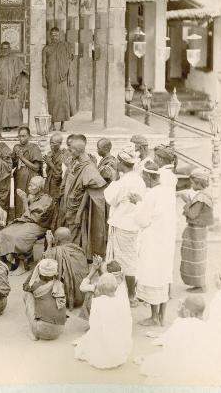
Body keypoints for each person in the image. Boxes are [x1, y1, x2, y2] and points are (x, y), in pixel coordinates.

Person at [137, 295, 221, 386]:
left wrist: (179, 315)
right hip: (201, 367)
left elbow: (169, 347)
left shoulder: (180, 324)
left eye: (183, 307)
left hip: (182, 367)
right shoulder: (207, 327)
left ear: (187, 312)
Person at [131, 160, 177, 326]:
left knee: (152, 275)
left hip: (153, 241)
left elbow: (142, 220)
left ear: (149, 177)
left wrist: (138, 202)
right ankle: (162, 317)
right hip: (166, 240)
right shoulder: (168, 191)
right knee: (164, 276)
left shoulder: (152, 194)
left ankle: (153, 317)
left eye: (144, 177)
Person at [104, 145, 146, 305]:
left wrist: (114, 178)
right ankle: (128, 292)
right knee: (131, 258)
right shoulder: (138, 179)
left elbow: (110, 198)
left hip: (124, 224)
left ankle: (130, 296)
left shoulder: (124, 182)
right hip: (134, 223)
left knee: (125, 261)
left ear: (121, 162)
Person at [56, 137, 107, 260]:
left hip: (78, 209)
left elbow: (89, 192)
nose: (70, 152)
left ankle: (74, 259)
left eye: (72, 150)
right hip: (70, 206)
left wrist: (78, 213)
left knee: (75, 236)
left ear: (78, 150)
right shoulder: (77, 161)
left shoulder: (89, 167)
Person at [73, 273, 132, 369]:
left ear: (100, 288)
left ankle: (103, 352)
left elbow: (94, 326)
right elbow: (127, 323)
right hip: (120, 353)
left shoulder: (98, 302)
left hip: (102, 354)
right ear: (115, 287)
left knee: (90, 338)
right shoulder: (123, 301)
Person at [0, 176, 53, 275]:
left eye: (32, 185)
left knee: (19, 237)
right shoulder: (33, 197)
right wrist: (27, 200)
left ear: (40, 188)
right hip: (26, 222)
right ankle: (9, 262)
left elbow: (31, 217)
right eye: (29, 184)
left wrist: (24, 200)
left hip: (38, 225)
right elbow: (25, 215)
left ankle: (22, 266)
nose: (29, 187)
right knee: (3, 233)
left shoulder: (46, 200)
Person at [179, 169, 214, 291]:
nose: (191, 185)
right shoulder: (206, 194)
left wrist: (187, 202)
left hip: (196, 232)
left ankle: (200, 285)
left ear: (199, 183)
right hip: (199, 231)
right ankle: (198, 284)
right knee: (197, 256)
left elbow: (193, 214)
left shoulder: (201, 197)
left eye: (193, 183)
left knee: (195, 257)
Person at [43, 227, 89, 309]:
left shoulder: (54, 252)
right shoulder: (79, 250)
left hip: (62, 298)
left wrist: (49, 244)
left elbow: (44, 266)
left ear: (56, 239)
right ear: (70, 237)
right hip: (82, 295)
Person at [22, 258, 67, 341]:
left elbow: (25, 286)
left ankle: (34, 332)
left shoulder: (36, 286)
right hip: (59, 330)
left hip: (41, 330)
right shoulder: (60, 285)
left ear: (39, 272)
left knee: (28, 294)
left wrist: (33, 271)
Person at [42, 27, 75, 131]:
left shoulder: (65, 47)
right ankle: (52, 124)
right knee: (52, 101)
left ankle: (62, 125)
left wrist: (70, 77)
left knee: (63, 101)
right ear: (50, 36)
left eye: (56, 35)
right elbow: (43, 64)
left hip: (63, 78)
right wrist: (43, 78)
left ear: (59, 35)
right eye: (52, 35)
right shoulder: (46, 49)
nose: (54, 37)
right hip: (51, 78)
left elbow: (70, 63)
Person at [79, 257, 128, 322]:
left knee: (89, 294)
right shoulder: (122, 284)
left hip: (105, 317)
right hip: (119, 318)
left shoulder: (99, 286)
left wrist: (93, 270)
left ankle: (97, 322)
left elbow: (82, 287)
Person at [12, 126, 43, 219]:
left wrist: (22, 158)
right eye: (20, 136)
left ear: (29, 136)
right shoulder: (16, 147)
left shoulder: (34, 147)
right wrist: (13, 157)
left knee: (30, 200)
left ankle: (29, 220)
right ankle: (18, 220)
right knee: (19, 199)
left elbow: (36, 168)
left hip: (30, 180)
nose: (21, 138)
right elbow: (13, 164)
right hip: (19, 179)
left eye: (24, 136)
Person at [0, 41, 26, 130]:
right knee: (2, 106)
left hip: (12, 86)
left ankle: (13, 124)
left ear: (10, 49)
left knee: (13, 104)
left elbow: (19, 73)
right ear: (0, 49)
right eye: (3, 48)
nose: (5, 50)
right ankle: (4, 125)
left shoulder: (14, 59)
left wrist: (15, 85)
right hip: (2, 86)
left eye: (6, 48)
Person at [43, 133, 66, 201]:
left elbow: (59, 175)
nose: (51, 145)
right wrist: (48, 163)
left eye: (53, 143)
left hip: (57, 186)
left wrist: (50, 163)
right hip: (49, 183)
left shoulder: (63, 155)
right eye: (50, 142)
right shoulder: (51, 153)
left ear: (60, 143)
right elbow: (47, 172)